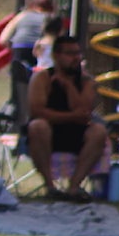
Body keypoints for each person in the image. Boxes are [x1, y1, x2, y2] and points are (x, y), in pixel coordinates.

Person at [26, 35, 106, 203]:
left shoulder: (87, 82)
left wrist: (69, 86)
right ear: (56, 55)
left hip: (76, 134)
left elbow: (84, 113)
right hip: (48, 132)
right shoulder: (42, 79)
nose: (75, 58)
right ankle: (50, 186)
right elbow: (37, 111)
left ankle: (73, 188)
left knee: (99, 131)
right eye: (70, 54)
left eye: (78, 53)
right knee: (37, 126)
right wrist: (71, 116)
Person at [0, 0, 54, 128]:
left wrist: (13, 47)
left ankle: (19, 117)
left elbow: (3, 40)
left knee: (20, 86)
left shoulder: (22, 16)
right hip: (40, 50)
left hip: (20, 49)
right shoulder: (50, 17)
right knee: (40, 85)